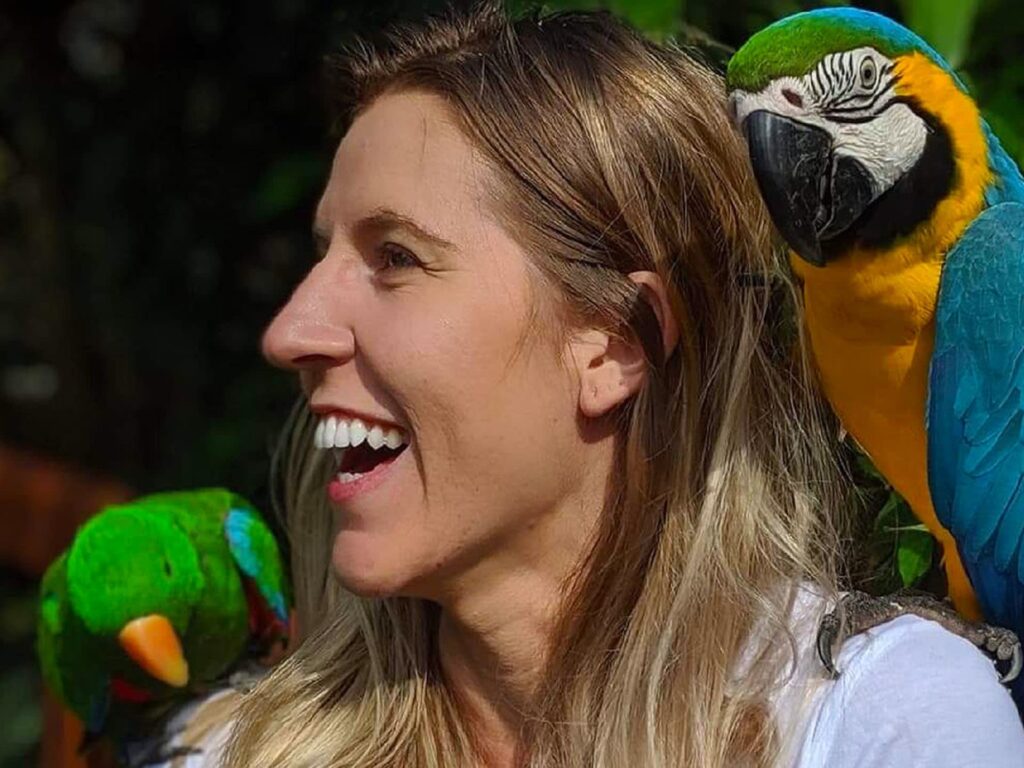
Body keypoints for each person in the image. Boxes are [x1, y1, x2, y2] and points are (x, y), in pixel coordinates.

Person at [168, 2, 1023, 766]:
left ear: (615, 341)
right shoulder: (236, 752)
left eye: (396, 257)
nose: (290, 331)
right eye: (325, 255)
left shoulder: (879, 723)